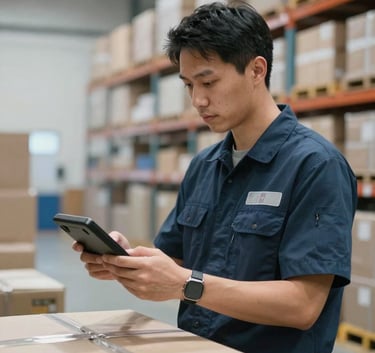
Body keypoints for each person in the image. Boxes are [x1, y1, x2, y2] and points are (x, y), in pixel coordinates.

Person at [74, 2, 357, 352]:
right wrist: (124, 260)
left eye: (208, 81)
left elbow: (303, 305)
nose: (198, 99)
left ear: (256, 70)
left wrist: (187, 285)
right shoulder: (204, 165)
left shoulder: (315, 165)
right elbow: (173, 262)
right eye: (188, 85)